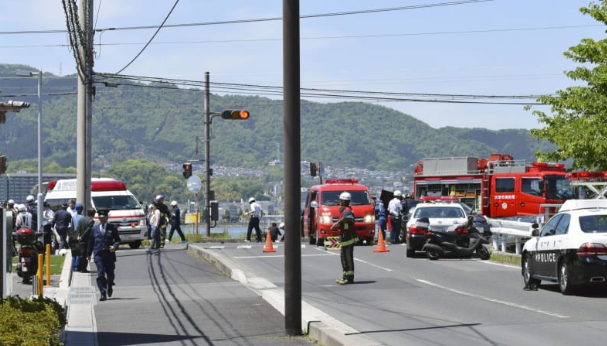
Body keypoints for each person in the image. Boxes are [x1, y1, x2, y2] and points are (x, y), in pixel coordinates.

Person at [87, 209, 121, 301]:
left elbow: (118, 240)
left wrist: (114, 246)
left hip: (109, 254)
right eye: (100, 217)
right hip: (98, 254)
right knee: (100, 273)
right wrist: (89, 254)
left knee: (110, 274)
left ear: (107, 217)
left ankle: (110, 284)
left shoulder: (112, 227)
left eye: (103, 217)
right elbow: (91, 242)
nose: (102, 219)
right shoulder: (94, 229)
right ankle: (103, 293)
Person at [330, 192, 358, 285]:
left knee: (348, 257)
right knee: (343, 258)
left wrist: (337, 224)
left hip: (348, 236)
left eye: (340, 200)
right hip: (345, 236)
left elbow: (347, 218)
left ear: (342, 201)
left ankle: (349, 278)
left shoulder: (347, 211)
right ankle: (345, 276)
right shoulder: (345, 210)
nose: (339, 202)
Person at [75, 207, 95, 272]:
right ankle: (83, 268)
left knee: (81, 254)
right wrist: (82, 237)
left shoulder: (81, 219)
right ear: (93, 214)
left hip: (79, 239)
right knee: (85, 254)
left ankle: (78, 267)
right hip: (86, 239)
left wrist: (78, 236)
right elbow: (88, 230)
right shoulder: (91, 221)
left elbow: (78, 228)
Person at [70, 203, 85, 271]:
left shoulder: (73, 217)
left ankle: (74, 266)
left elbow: (72, 227)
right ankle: (78, 266)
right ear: (82, 209)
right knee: (80, 251)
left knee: (75, 251)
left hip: (75, 234)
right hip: (81, 234)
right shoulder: (83, 217)